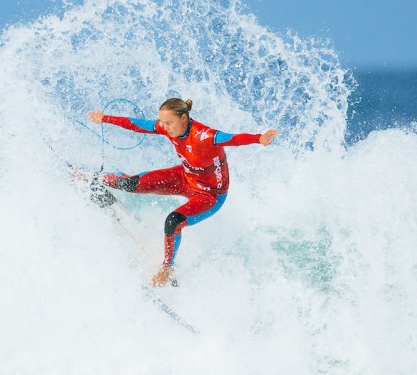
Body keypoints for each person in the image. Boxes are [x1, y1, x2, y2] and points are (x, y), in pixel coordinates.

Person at [88, 98, 278, 287]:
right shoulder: (167, 127)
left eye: (169, 123)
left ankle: (167, 269)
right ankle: (93, 178)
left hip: (209, 196)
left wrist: (258, 138)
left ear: (184, 118)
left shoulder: (205, 135)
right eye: (163, 122)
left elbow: (233, 139)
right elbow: (138, 125)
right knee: (128, 183)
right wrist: (105, 118)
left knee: (173, 222)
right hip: (184, 178)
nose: (165, 127)